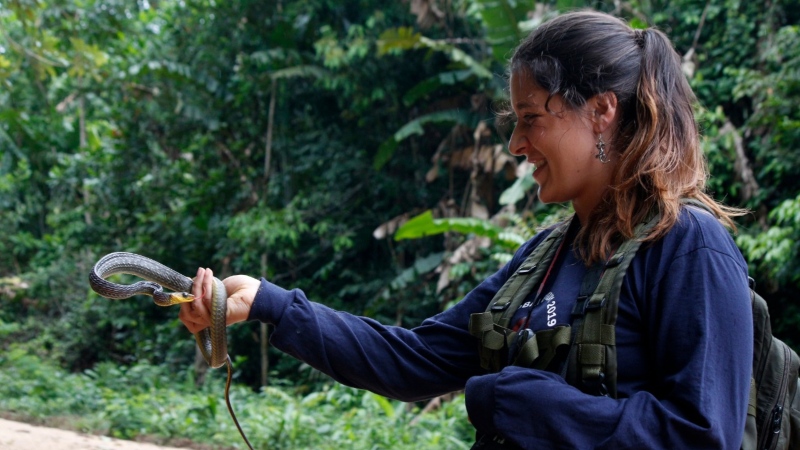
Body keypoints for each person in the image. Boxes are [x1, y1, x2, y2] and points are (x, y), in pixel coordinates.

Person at [180, 10, 752, 449]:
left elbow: (702, 435)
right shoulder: (549, 256)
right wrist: (269, 304)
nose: (516, 145)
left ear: (601, 111)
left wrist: (528, 404)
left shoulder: (689, 247)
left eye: (531, 119)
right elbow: (418, 360)